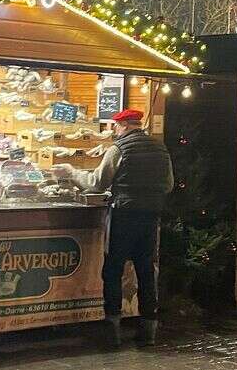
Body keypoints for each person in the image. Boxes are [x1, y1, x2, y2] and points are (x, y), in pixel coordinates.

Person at [56, 108, 173, 348]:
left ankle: (112, 331)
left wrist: (72, 172)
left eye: (115, 127)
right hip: (150, 217)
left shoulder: (118, 149)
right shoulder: (160, 148)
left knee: (113, 270)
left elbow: (97, 184)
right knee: (146, 271)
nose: (114, 132)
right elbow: (169, 184)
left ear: (123, 126)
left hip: (123, 216)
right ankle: (148, 329)